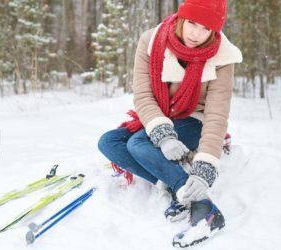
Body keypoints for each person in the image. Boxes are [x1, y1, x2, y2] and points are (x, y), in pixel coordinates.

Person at [98, 0, 242, 247]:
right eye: (192, 24)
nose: (196, 34)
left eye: (205, 28)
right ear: (182, 18)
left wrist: (204, 170)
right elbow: (143, 95)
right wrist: (164, 135)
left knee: (138, 144)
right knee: (109, 142)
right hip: (160, 115)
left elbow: (216, 116)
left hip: (195, 119)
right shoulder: (152, 42)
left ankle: (203, 206)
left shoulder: (222, 57)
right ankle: (176, 184)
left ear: (214, 31)